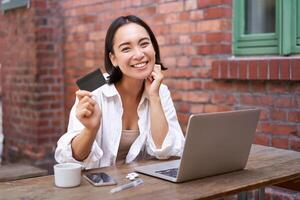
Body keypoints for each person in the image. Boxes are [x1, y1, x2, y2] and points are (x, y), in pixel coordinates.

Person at [55, 15, 185, 169]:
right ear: (113, 58)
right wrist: (91, 130)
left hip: (142, 186)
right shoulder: (93, 85)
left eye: (144, 44)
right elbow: (69, 160)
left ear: (154, 49)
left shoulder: (160, 90)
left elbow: (166, 153)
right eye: (126, 48)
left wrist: (154, 97)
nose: (139, 54)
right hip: (97, 188)